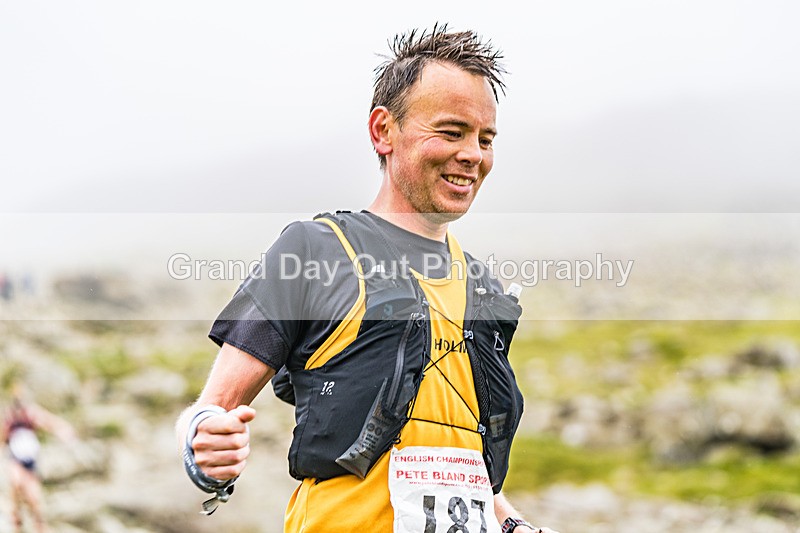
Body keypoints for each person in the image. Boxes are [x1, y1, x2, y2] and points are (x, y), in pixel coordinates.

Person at [177, 24, 559, 533]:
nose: (473, 155)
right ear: (383, 131)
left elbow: (470, 472)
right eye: (451, 132)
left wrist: (518, 525)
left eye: (485, 139)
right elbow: (210, 411)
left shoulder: (483, 289)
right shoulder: (314, 251)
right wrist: (202, 443)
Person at [3, 382, 75, 533]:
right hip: (16, 458)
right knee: (16, 483)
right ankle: (17, 521)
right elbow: (2, 435)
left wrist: (63, 430)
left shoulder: (31, 412)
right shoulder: (9, 416)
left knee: (33, 497)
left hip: (30, 459)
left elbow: (49, 421)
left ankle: (39, 525)